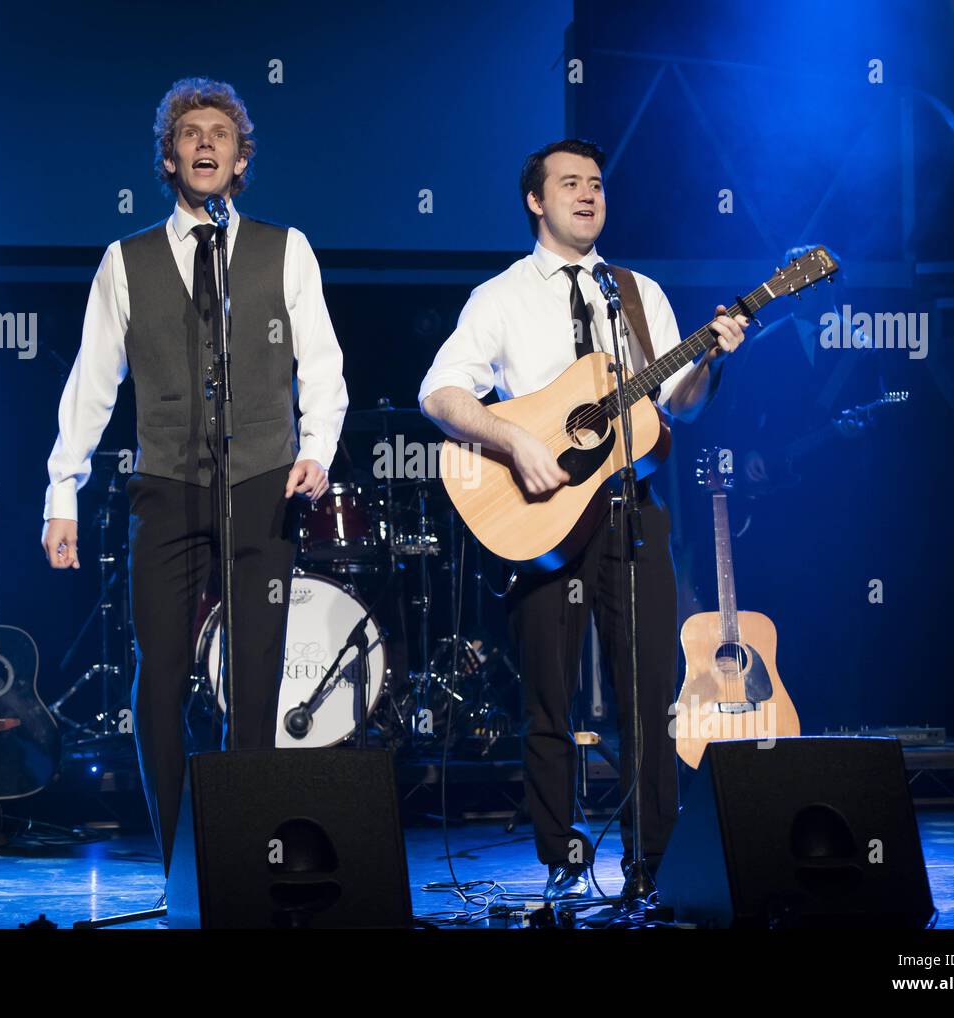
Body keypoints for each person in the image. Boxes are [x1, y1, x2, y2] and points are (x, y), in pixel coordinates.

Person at [418, 139, 745, 901]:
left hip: (635, 512)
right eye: (569, 184)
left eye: (596, 183)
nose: (588, 195)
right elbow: (440, 393)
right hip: (542, 522)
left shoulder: (636, 293)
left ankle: (651, 863)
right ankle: (561, 853)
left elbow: (678, 406)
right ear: (537, 201)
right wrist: (514, 438)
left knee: (647, 694)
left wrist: (713, 359)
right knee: (548, 700)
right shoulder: (500, 297)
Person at [40, 78, 348, 877]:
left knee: (255, 675)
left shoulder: (288, 248)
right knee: (163, 671)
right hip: (166, 485)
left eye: (220, 132)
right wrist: (61, 492)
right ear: (170, 157)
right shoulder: (126, 260)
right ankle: (182, 855)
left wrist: (317, 446)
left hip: (264, 482)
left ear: (241, 158)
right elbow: (92, 380)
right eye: (189, 133)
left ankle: (247, 849)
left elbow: (321, 362)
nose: (205, 142)